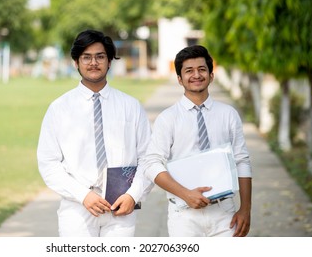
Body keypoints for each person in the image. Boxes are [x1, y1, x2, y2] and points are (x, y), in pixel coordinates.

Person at [37, 29, 153, 237]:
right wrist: (83, 195)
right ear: (76, 62)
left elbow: (148, 158)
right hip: (77, 208)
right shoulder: (59, 108)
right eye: (86, 57)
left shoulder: (131, 106)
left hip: (121, 207)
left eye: (100, 57)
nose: (93, 63)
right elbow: (48, 163)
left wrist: (134, 195)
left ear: (109, 62)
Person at [142, 45, 252, 237]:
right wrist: (186, 194)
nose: (196, 75)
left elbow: (242, 161)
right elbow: (151, 164)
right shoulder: (168, 119)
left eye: (202, 69)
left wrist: (245, 209)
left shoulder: (228, 115)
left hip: (224, 212)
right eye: (189, 71)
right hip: (184, 216)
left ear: (211, 75)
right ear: (179, 78)